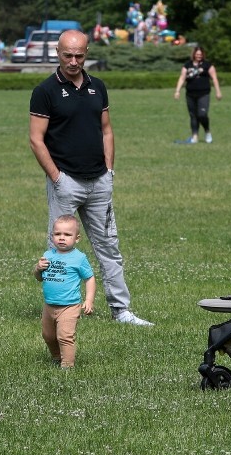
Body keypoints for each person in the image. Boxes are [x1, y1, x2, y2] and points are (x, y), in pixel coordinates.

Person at [29, 29, 153, 326]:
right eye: (67, 55)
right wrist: (57, 178)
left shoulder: (98, 86)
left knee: (109, 247)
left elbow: (107, 130)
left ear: (87, 53)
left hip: (99, 181)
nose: (73, 61)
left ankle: (121, 310)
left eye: (79, 55)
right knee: (58, 248)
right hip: (66, 182)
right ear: (57, 53)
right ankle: (58, 310)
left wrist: (109, 170)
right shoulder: (44, 91)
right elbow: (36, 139)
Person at [33, 214, 96, 368]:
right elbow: (39, 278)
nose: (62, 238)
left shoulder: (79, 258)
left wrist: (89, 300)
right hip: (49, 306)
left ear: (77, 238)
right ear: (52, 236)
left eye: (67, 235)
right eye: (57, 234)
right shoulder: (48, 255)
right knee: (48, 336)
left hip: (69, 305)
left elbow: (90, 278)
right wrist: (38, 269)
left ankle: (67, 366)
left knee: (65, 336)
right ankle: (56, 357)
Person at [174, 46, 222, 144]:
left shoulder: (208, 65)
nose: (199, 56)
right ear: (194, 54)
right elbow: (182, 78)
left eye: (200, 54)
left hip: (203, 94)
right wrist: (177, 91)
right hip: (190, 94)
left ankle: (207, 131)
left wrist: (218, 91)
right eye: (197, 54)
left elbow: (214, 79)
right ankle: (194, 137)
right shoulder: (187, 65)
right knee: (193, 116)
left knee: (202, 114)